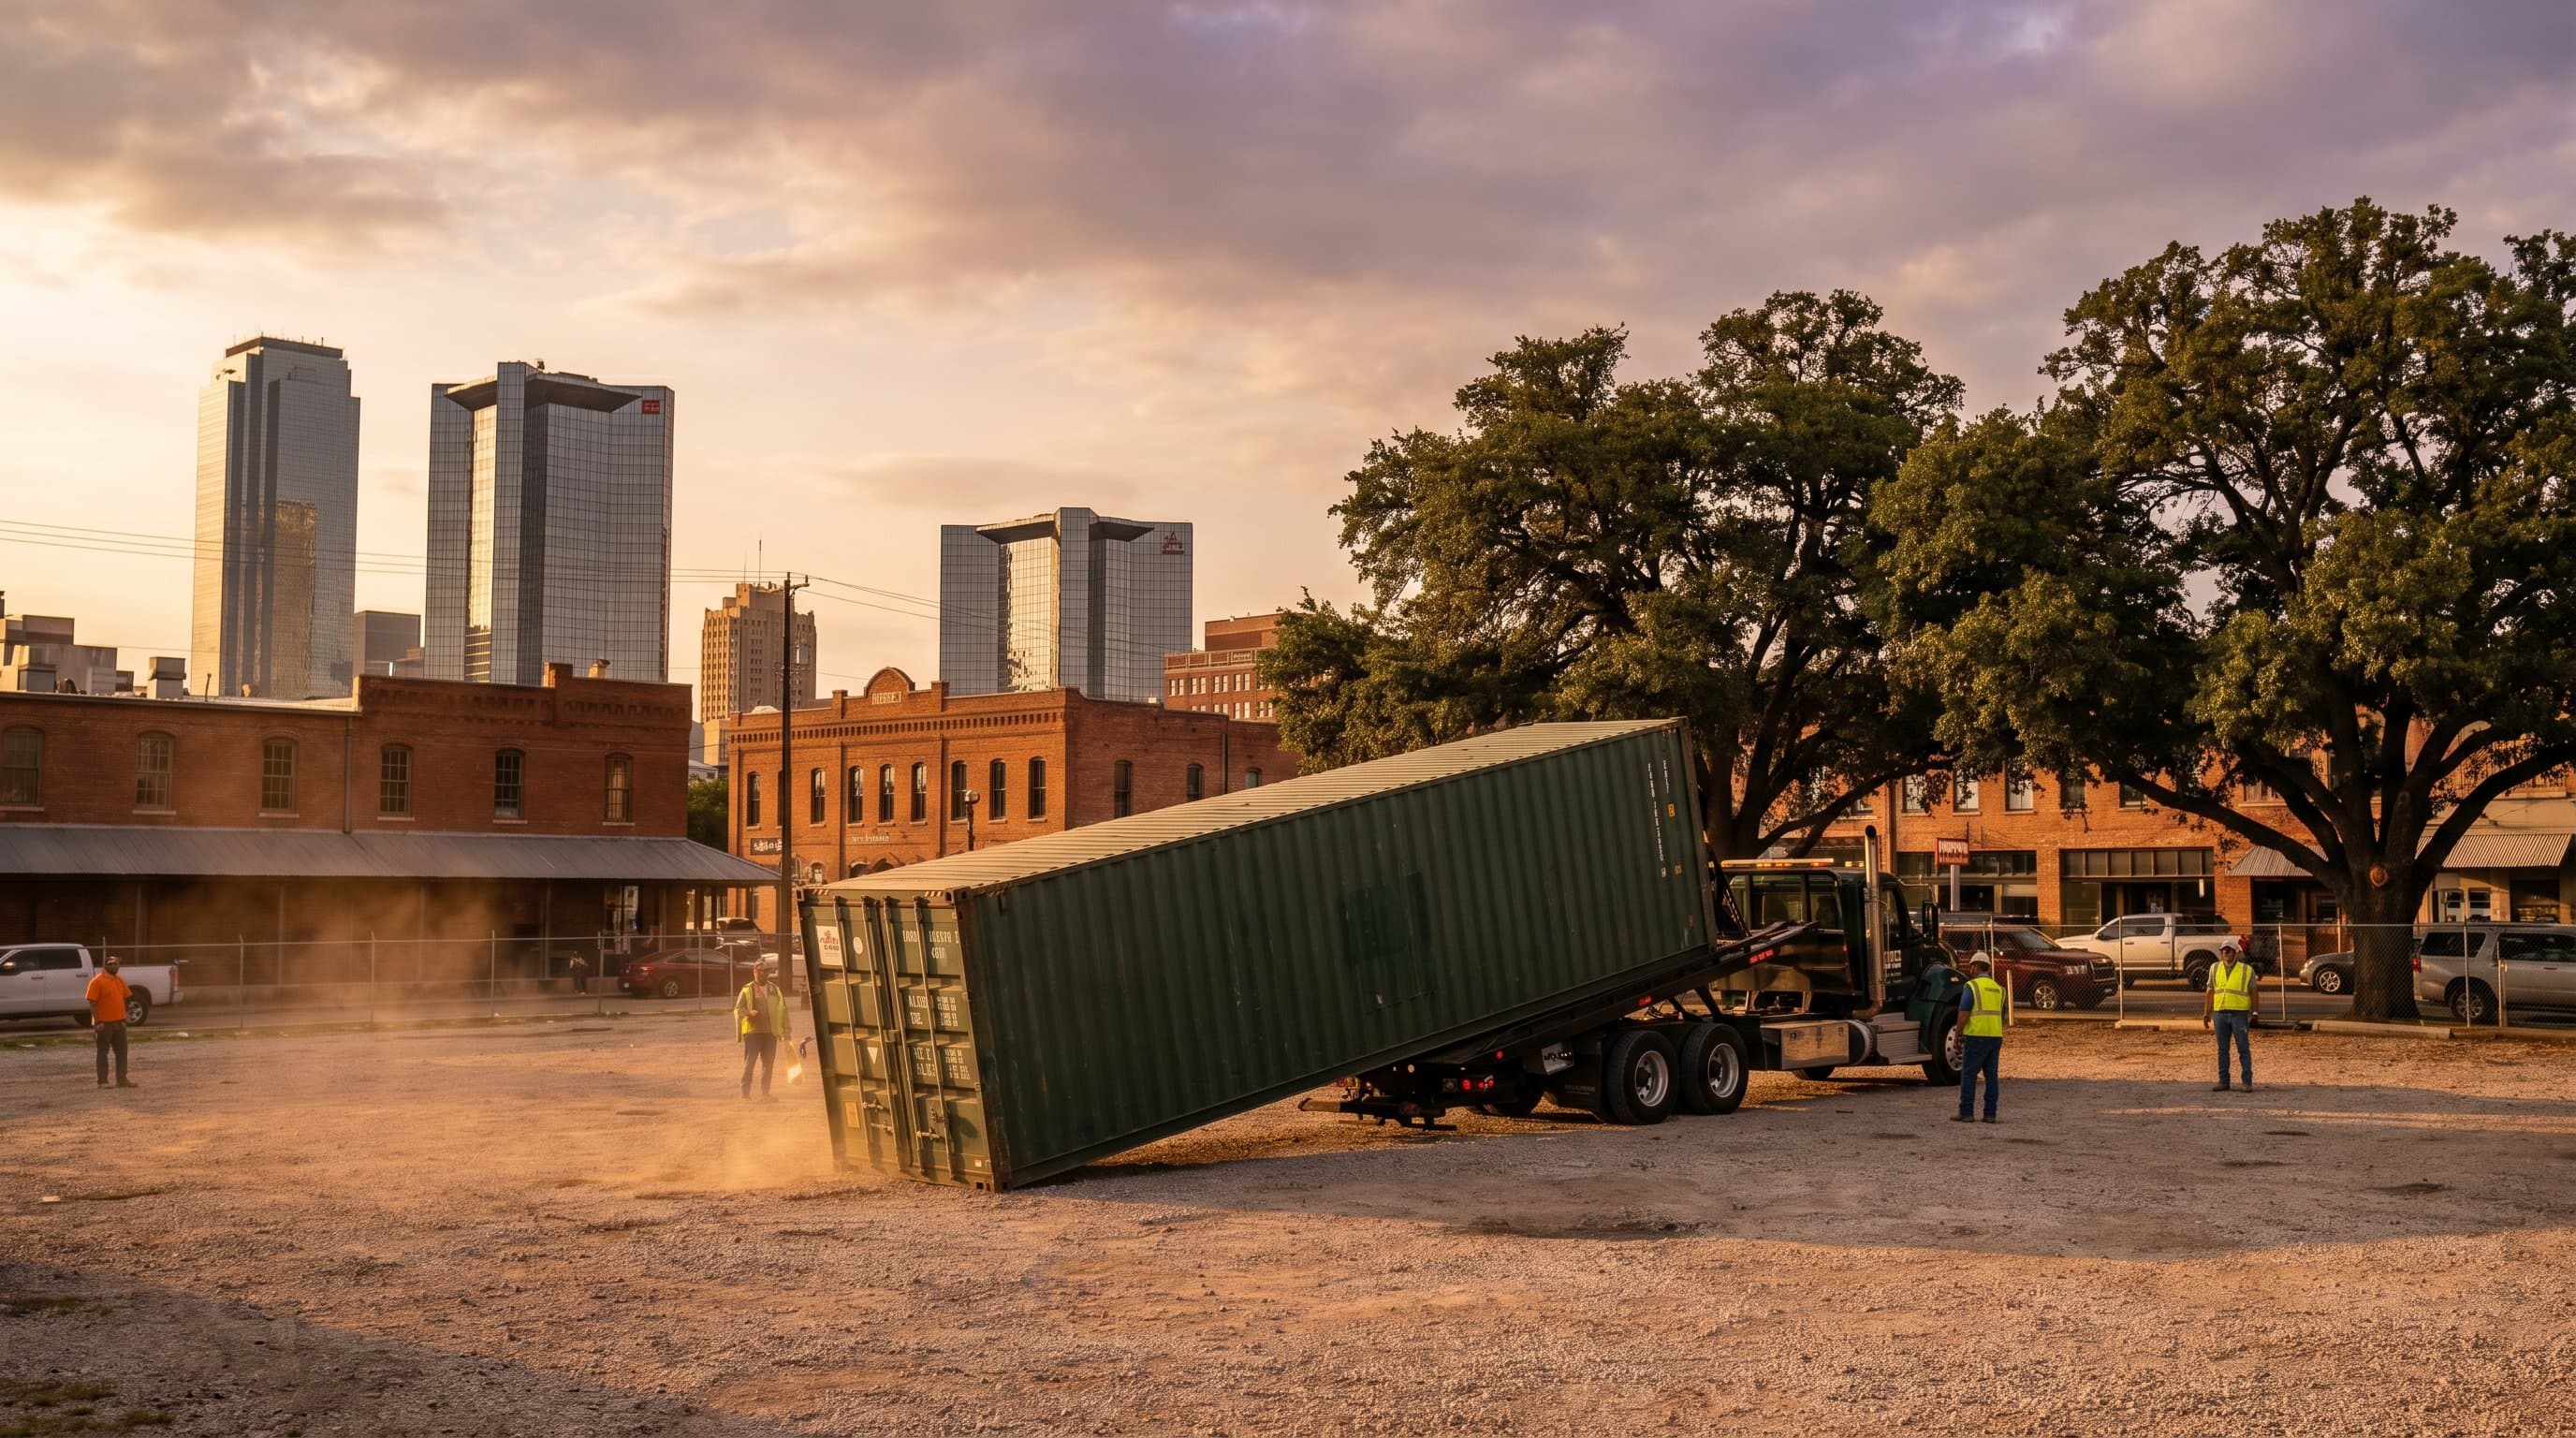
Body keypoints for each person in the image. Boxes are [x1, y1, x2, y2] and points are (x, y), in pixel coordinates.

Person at [1953, 951, 2005, 1123]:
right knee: (1991, 1076)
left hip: (1976, 1035)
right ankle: (1990, 1114)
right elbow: (2001, 1015)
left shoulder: (1972, 986)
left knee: (1969, 1074)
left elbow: (1964, 1012)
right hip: (1995, 1036)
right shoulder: (1999, 989)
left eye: (1971, 966)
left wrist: (1958, 1033)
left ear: (1975, 966)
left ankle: (1966, 1112)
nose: (1970, 970)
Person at [2203, 941, 2258, 1092]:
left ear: (2236, 953)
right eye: (2224, 950)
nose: (2227, 953)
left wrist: (2255, 1012)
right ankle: (2223, 1081)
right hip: (2220, 1012)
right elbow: (2210, 991)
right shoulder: (2214, 968)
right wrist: (2206, 1013)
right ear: (2221, 953)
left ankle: (2247, 1082)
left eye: (2230, 950)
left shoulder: (2246, 970)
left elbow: (2254, 991)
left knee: (2243, 1049)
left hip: (2239, 1014)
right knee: (2222, 1050)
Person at [735, 964, 790, 1101]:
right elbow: (738, 1009)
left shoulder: (774, 990)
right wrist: (748, 1013)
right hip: (753, 1033)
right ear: (754, 972)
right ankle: (745, 1095)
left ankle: (765, 1094)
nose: (763, 974)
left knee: (768, 1065)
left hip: (771, 1033)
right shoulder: (747, 990)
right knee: (750, 1064)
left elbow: (783, 1011)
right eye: (760, 972)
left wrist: (786, 1033)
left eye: (766, 972)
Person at [87, 955, 136, 1090]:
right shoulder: (97, 981)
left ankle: (122, 1080)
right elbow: (92, 1003)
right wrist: (98, 1022)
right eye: (111, 963)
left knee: (122, 1051)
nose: (115, 966)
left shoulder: (119, 980)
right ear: (105, 966)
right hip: (104, 1023)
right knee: (103, 1051)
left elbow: (127, 997)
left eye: (117, 964)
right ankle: (102, 1082)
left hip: (119, 1022)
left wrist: (124, 1017)